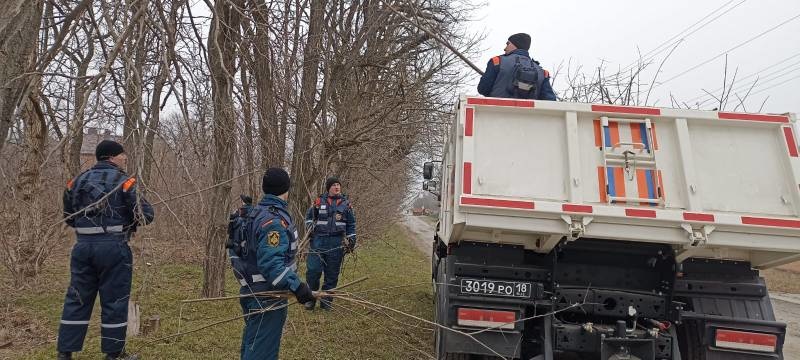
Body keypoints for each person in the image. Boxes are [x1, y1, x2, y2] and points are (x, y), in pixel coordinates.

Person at [57, 140, 154, 360]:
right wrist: (126, 223)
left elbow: (68, 216)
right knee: (115, 300)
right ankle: (114, 354)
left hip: (82, 247)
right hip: (113, 247)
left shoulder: (76, 182)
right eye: (122, 155)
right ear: (111, 157)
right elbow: (146, 214)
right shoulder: (125, 182)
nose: (125, 158)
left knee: (77, 298)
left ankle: (65, 352)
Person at [232, 167, 315, 359]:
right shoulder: (273, 222)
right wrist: (298, 287)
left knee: (253, 346)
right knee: (261, 353)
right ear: (286, 189)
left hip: (253, 292)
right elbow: (271, 266)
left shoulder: (257, 213)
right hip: (267, 296)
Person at [303, 177, 356, 311]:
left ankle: (326, 302)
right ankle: (310, 299)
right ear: (329, 188)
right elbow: (309, 218)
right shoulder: (319, 201)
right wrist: (310, 228)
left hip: (336, 243)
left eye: (338, 185)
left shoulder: (346, 205)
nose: (337, 187)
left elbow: (351, 224)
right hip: (318, 241)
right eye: (334, 185)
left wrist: (351, 239)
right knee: (313, 271)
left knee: (332, 274)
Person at [477, 33, 557, 101]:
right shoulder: (543, 73)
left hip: (496, 114)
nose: (504, 48)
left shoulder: (497, 62)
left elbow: (483, 89)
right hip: (529, 117)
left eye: (508, 44)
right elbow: (550, 101)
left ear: (516, 45)